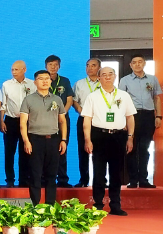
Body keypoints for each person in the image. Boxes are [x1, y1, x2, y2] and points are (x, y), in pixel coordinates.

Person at [83, 66, 136, 216]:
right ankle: (98, 205)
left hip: (118, 136)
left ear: (115, 76)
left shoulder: (124, 95)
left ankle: (115, 205)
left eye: (110, 74)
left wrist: (130, 137)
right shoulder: (92, 96)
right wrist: (88, 140)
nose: (107, 77)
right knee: (99, 172)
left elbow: (130, 117)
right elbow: (87, 120)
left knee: (116, 172)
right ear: (99, 78)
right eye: (104, 75)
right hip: (99, 136)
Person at [20, 70, 68, 205]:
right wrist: (26, 141)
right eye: (41, 79)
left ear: (51, 81)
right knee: (35, 175)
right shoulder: (28, 99)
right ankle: (35, 206)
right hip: (35, 140)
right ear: (35, 82)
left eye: (47, 78)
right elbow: (23, 123)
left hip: (53, 140)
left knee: (52, 175)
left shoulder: (57, 99)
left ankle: (50, 206)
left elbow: (62, 121)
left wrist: (63, 140)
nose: (45, 81)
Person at [119, 54, 162, 188]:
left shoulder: (152, 79)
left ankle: (143, 179)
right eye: (134, 62)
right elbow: (120, 101)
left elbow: (157, 98)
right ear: (130, 65)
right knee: (131, 148)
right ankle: (133, 179)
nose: (137, 64)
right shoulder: (125, 80)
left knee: (145, 148)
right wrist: (123, 119)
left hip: (148, 116)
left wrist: (159, 116)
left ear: (144, 63)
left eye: (140, 62)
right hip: (132, 116)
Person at [0, 60, 34, 187]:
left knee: (25, 152)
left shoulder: (32, 84)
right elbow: (3, 104)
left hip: (28, 122)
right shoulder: (6, 84)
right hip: (10, 120)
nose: (14, 72)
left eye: (16, 69)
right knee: (9, 152)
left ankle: (24, 180)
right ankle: (10, 179)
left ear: (24, 70)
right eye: (12, 69)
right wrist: (1, 121)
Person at [45, 55, 75, 187]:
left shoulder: (64, 81)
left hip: (62, 119)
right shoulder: (42, 80)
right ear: (46, 66)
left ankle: (62, 179)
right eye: (50, 64)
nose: (53, 67)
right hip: (46, 119)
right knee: (46, 149)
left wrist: (62, 113)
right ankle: (45, 179)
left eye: (55, 64)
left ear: (59, 66)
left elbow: (69, 100)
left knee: (62, 148)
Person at [72, 58, 103, 188]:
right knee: (83, 150)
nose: (90, 68)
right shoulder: (79, 84)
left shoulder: (104, 83)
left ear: (99, 68)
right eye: (88, 65)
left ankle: (100, 181)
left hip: (100, 121)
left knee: (100, 152)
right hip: (84, 119)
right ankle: (84, 180)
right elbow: (74, 100)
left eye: (93, 65)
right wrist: (81, 111)